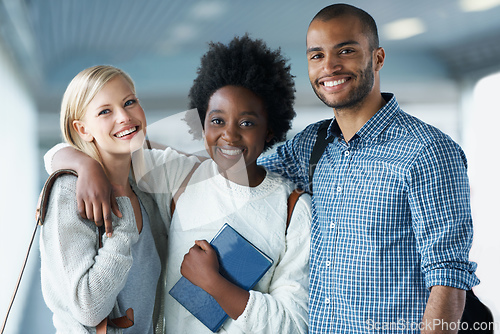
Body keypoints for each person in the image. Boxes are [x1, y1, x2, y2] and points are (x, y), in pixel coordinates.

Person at [44, 36, 311, 333]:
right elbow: (104, 148)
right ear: (203, 124)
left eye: (246, 123)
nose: (229, 136)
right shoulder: (181, 176)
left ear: (270, 128)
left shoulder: (293, 210)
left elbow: (294, 324)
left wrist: (215, 285)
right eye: (217, 121)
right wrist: (84, 163)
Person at [257, 4, 479, 334]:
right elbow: (243, 175)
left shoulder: (427, 150)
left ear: (378, 58)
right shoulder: (312, 144)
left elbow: (447, 277)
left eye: (345, 51)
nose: (329, 66)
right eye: (316, 55)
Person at [40, 65, 197, 333]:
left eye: (129, 102)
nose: (124, 116)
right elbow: (88, 309)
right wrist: (122, 225)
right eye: (105, 111)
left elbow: (220, 167)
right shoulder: (69, 191)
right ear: (82, 128)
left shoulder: (144, 181)